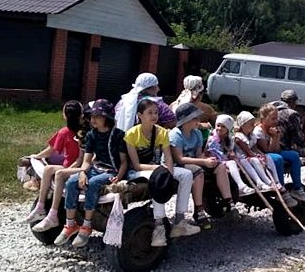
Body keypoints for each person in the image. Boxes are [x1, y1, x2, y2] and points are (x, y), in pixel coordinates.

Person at [124, 99, 199, 246]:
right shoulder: (131, 134)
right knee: (157, 179)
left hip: (161, 168)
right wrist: (160, 171)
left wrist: (168, 173)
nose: (154, 116)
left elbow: (169, 159)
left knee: (186, 174)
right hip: (140, 172)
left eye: (156, 112)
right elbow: (137, 165)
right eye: (149, 113)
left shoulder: (162, 132)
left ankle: (179, 220)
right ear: (140, 115)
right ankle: (159, 226)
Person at [55, 99, 128, 247]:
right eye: (92, 116)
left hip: (111, 170)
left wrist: (118, 177)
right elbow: (87, 160)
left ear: (106, 118)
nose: (93, 119)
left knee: (93, 184)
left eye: (97, 116)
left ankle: (87, 225)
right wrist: (82, 172)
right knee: (71, 182)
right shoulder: (91, 135)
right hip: (96, 168)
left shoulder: (118, 135)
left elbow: (124, 162)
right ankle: (70, 224)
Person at [169, 102, 238, 228]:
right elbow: (179, 159)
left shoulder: (197, 134)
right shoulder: (176, 134)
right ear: (186, 120)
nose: (198, 120)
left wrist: (209, 160)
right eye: (195, 118)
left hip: (194, 162)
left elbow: (199, 155)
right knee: (198, 173)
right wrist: (203, 162)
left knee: (220, 166)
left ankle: (228, 201)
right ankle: (199, 210)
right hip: (179, 165)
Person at [27, 100, 86, 224]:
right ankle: (40, 206)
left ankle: (51, 211)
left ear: (64, 115)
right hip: (72, 165)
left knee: (53, 171)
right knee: (48, 169)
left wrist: (36, 156)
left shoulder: (64, 132)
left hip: (73, 167)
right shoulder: (83, 131)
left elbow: (50, 150)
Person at [254, 104, 302, 208]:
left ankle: (297, 188)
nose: (276, 121)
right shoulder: (258, 131)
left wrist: (276, 137)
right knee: (278, 158)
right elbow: (267, 151)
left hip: (271, 152)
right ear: (263, 118)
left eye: (277, 118)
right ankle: (282, 190)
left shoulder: (273, 128)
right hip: (262, 155)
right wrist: (274, 137)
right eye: (273, 118)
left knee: (294, 155)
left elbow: (277, 149)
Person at [206, 115, 257, 197]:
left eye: (223, 127)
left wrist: (231, 154)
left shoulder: (229, 140)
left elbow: (229, 153)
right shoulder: (211, 139)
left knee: (233, 162)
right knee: (232, 163)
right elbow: (207, 153)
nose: (220, 128)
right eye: (218, 126)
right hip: (215, 162)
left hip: (224, 161)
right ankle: (241, 186)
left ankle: (243, 186)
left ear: (228, 129)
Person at [233, 111, 278, 191]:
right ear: (243, 125)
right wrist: (260, 160)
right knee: (255, 160)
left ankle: (276, 181)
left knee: (268, 157)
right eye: (251, 124)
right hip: (242, 158)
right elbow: (248, 151)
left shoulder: (251, 135)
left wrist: (261, 155)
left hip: (250, 156)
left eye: (253, 123)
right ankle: (263, 182)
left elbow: (254, 148)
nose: (253, 126)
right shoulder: (238, 137)